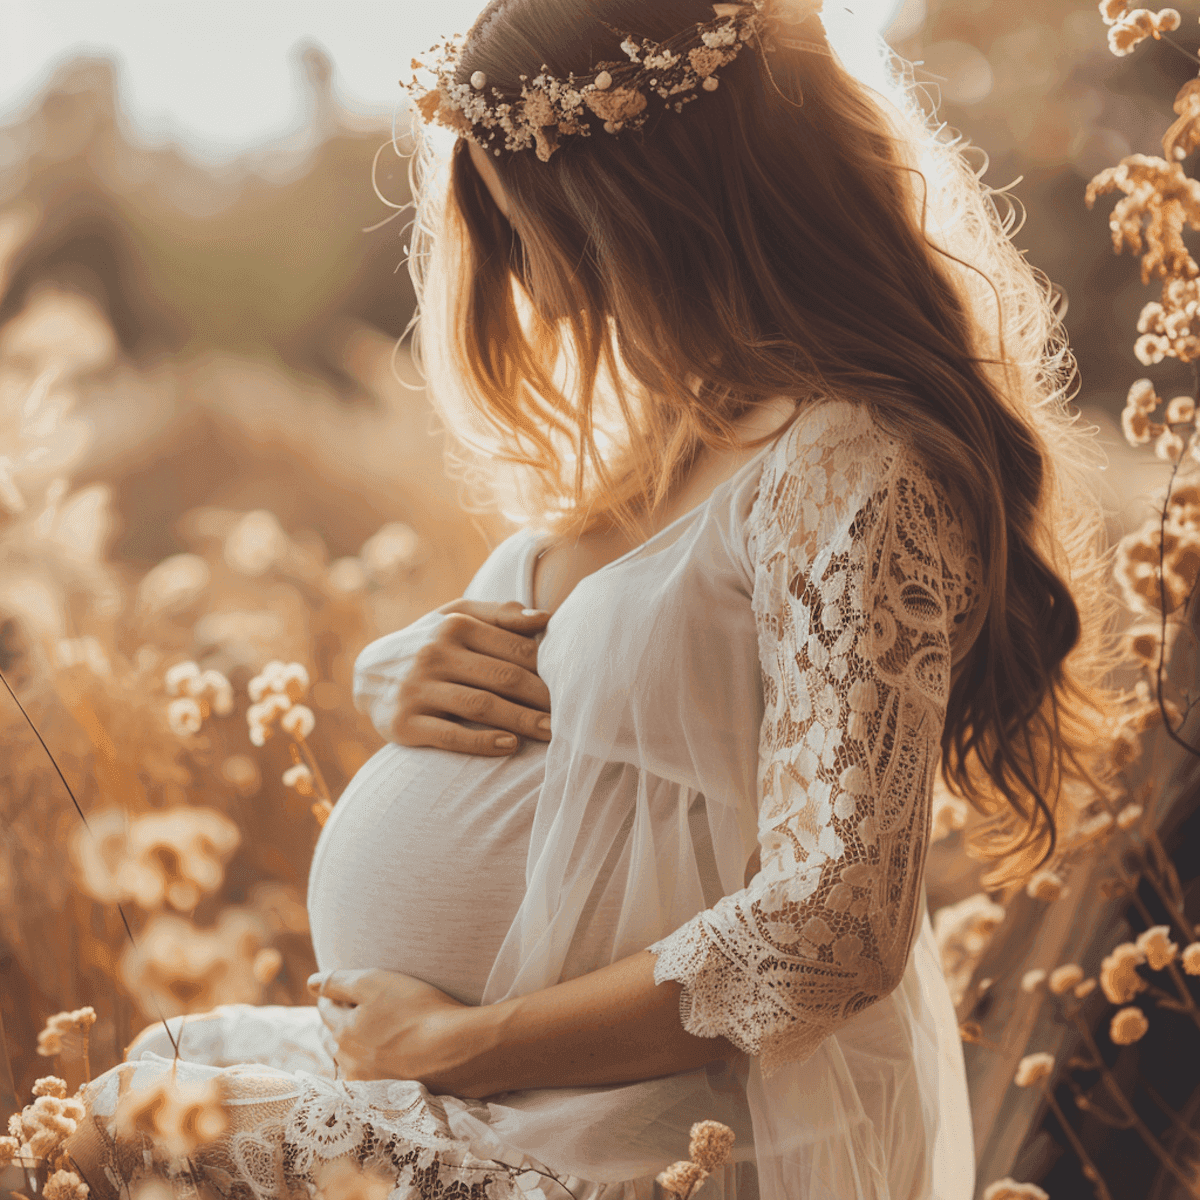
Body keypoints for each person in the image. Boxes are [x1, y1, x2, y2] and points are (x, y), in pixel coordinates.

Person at [66, 1, 1122, 1198]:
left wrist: (460, 1042)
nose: (542, 291)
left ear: (643, 200)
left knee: (114, 1135)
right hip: (503, 1091)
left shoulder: (851, 464)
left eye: (535, 228)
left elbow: (835, 926)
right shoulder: (686, 436)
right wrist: (395, 677)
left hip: (631, 1134)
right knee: (124, 1093)